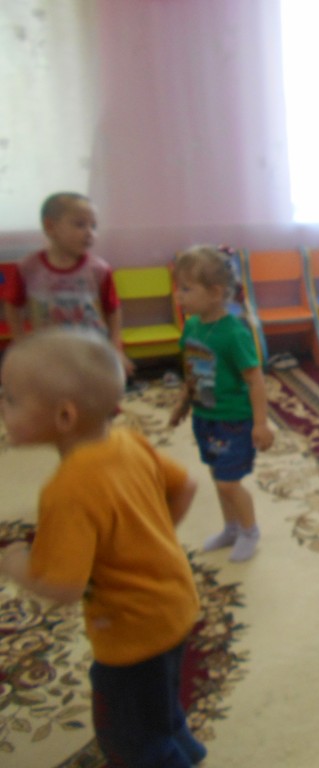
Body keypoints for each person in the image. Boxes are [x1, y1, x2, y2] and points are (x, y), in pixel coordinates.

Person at [0, 328, 206, 767]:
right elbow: (186, 485)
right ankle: (185, 746)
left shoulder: (67, 490)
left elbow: (63, 586)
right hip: (175, 603)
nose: (3, 407)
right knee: (161, 700)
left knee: (131, 739)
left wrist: (15, 563)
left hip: (131, 633)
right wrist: (155, 533)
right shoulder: (129, 441)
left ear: (64, 417)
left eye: (11, 399)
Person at [169, 245, 274, 562]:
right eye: (178, 288)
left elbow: (255, 380)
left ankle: (249, 531)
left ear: (215, 293)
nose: (178, 295)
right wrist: (184, 403)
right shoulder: (192, 326)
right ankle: (231, 528)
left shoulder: (233, 334)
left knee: (229, 483)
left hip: (233, 420)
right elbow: (193, 370)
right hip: (206, 417)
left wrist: (260, 423)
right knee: (218, 477)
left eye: (186, 289)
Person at [2, 191, 134, 375]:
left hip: (92, 351)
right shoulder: (28, 268)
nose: (90, 233)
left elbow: (113, 309)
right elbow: (12, 304)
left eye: (93, 226)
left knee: (94, 389)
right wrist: (20, 340)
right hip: (49, 352)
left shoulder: (99, 269)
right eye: (80, 224)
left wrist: (115, 347)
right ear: (50, 226)